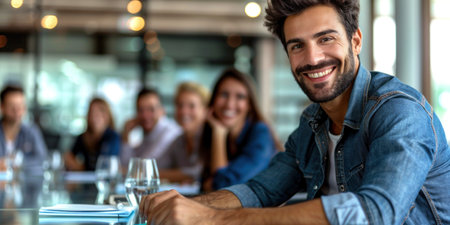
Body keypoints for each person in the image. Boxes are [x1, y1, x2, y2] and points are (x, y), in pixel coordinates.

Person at [139, 0, 450, 224]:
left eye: (325, 39)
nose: (313, 58)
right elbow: (260, 191)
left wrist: (212, 218)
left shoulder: (399, 111)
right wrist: (184, 207)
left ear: (355, 40)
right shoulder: (312, 123)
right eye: (297, 46)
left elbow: (375, 213)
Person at [199, 68, 282, 192]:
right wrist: (218, 133)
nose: (230, 104)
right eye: (224, 95)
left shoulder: (260, 133)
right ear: (214, 100)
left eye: (240, 97)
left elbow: (224, 189)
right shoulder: (217, 133)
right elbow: (204, 183)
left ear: (249, 105)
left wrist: (218, 134)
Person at [158, 82, 210, 183]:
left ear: (205, 110)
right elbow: (158, 166)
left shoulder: (211, 138)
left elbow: (197, 173)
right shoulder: (178, 141)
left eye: (191, 106)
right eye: (180, 105)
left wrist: (159, 174)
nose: (183, 111)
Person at [120, 88, 182, 168]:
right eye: (141, 110)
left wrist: (122, 170)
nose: (145, 116)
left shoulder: (170, 132)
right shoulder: (148, 134)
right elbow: (125, 164)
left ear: (162, 111)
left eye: (151, 109)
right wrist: (126, 134)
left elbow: (141, 168)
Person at [0, 85, 47, 174]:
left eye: (20, 105)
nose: (16, 110)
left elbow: (42, 160)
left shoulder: (32, 132)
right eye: (11, 105)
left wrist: (18, 163)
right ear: (2, 107)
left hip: (25, 185)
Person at [64, 97, 121, 171]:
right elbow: (69, 157)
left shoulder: (113, 137)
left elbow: (104, 166)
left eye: (99, 112)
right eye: (92, 112)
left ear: (107, 115)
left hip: (105, 180)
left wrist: (81, 168)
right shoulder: (84, 137)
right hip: (86, 180)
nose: (95, 116)